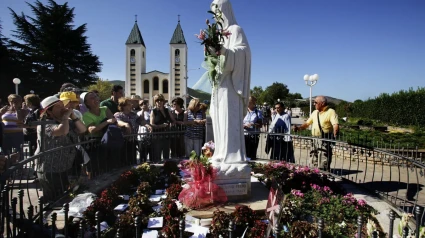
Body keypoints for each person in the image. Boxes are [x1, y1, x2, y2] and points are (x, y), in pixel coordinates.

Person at [209, 0, 251, 163]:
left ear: (225, 10)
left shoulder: (235, 30)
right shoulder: (218, 33)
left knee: (228, 120)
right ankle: (220, 152)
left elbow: (243, 53)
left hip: (231, 86)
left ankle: (232, 156)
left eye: (218, 11)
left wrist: (224, 51)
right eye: (214, 13)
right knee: (218, 119)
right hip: (219, 85)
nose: (216, 16)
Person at [34, 96, 86, 201]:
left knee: (64, 197)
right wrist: (65, 117)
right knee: (54, 199)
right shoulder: (45, 125)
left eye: (62, 106)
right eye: (58, 107)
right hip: (50, 168)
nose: (62, 108)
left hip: (65, 166)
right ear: (49, 111)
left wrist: (73, 117)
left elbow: (83, 129)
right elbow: (62, 131)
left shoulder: (68, 122)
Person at [294, 96, 339, 171]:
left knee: (323, 157)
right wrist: (299, 128)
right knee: (313, 156)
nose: (314, 104)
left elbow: (335, 125)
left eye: (315, 102)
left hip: (324, 138)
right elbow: (307, 123)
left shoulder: (330, 112)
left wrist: (334, 136)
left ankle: (323, 174)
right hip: (314, 138)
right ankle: (315, 172)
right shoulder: (315, 112)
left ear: (322, 103)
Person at [114, 97, 141, 165]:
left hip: (133, 141)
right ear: (123, 106)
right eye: (129, 104)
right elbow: (118, 122)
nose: (131, 105)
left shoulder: (134, 115)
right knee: (123, 162)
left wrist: (148, 125)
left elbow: (141, 121)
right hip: (123, 142)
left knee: (132, 160)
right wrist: (125, 124)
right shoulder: (118, 114)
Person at [150, 94, 175, 162]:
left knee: (166, 155)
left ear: (163, 101)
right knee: (157, 156)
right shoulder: (153, 111)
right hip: (157, 136)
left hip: (166, 135)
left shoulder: (167, 110)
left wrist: (171, 124)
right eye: (157, 100)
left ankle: (167, 169)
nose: (159, 102)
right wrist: (161, 126)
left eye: (161, 100)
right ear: (155, 102)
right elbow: (151, 125)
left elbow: (173, 121)